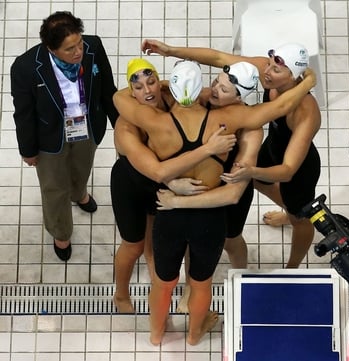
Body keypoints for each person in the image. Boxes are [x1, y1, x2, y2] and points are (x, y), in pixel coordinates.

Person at [113, 60, 315, 345]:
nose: (216, 91)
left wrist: (163, 84)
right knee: (201, 283)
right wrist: (306, 83)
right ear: (201, 92)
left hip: (170, 210)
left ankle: (157, 336)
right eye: (214, 86)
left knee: (162, 282)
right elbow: (278, 109)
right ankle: (195, 335)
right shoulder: (233, 121)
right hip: (209, 214)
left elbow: (118, 98)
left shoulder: (155, 122)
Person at [141, 39, 321, 268]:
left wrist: (251, 171)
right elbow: (218, 58)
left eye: (275, 70)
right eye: (269, 65)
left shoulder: (306, 112)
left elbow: (287, 171)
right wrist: (171, 51)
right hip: (273, 147)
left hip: (298, 167)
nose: (266, 72)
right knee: (260, 184)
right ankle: (287, 210)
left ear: (293, 76)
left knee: (301, 217)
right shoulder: (267, 74)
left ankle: (293, 264)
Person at [111, 58, 238, 313]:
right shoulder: (126, 127)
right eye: (138, 87)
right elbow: (156, 171)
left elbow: (209, 92)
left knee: (177, 236)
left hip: (167, 182)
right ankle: (120, 294)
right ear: (130, 92)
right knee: (133, 245)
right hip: (134, 185)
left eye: (152, 82)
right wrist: (205, 153)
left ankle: (184, 285)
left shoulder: (174, 98)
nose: (147, 91)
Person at [10, 11, 119, 262]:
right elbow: (23, 114)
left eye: (79, 43)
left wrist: (120, 127)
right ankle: (61, 231)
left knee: (82, 165)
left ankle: (78, 192)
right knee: (53, 186)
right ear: (51, 48)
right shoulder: (26, 67)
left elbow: (107, 89)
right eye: (70, 49)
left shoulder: (94, 46)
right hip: (50, 136)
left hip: (86, 124)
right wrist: (28, 149)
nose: (78, 51)